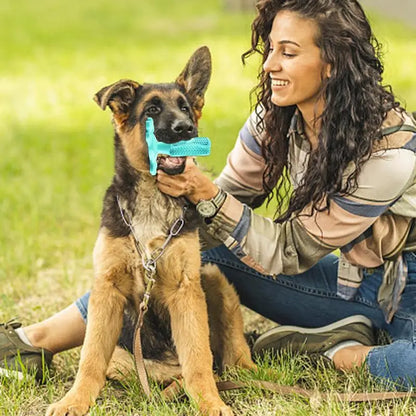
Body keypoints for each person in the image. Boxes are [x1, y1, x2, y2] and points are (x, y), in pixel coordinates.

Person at [2, 0, 416, 390]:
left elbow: (290, 250)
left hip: (406, 291)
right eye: (270, 48)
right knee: (191, 247)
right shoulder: (274, 117)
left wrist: (207, 193)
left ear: (332, 64)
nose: (269, 64)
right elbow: (217, 220)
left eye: (287, 53)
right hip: (351, 282)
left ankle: (335, 352)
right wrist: (169, 216)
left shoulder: (392, 154)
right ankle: (33, 342)